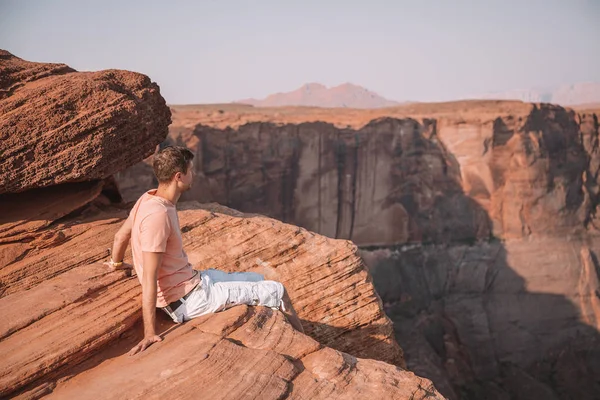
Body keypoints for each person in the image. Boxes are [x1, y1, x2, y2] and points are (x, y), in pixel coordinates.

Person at [105, 146, 303, 356]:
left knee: (258, 278)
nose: (195, 175)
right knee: (278, 291)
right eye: (191, 170)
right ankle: (303, 348)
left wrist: (117, 264)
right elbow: (149, 279)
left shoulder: (147, 198)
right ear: (178, 176)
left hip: (196, 282)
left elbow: (120, 236)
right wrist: (149, 333)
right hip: (189, 300)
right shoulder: (159, 215)